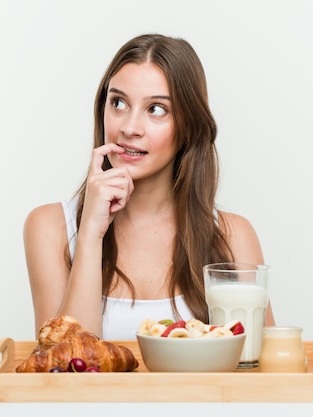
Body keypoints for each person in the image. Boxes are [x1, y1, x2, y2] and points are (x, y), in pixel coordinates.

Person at [23, 33, 275, 339]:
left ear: (188, 126)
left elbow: (261, 370)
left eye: (156, 109)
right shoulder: (50, 228)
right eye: (118, 102)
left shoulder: (233, 237)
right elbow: (63, 369)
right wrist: (90, 233)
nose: (129, 127)